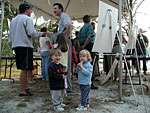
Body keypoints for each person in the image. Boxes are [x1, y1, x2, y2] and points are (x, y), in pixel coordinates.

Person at [8, 2, 46, 96]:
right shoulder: (27, 19)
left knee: (23, 68)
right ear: (26, 10)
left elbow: (10, 35)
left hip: (16, 46)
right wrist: (41, 34)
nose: (31, 12)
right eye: (30, 10)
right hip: (25, 46)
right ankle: (22, 90)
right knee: (24, 69)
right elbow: (31, 32)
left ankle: (25, 88)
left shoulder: (13, 20)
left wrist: (12, 45)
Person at [53, 3, 72, 93]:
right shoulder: (62, 17)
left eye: (56, 8)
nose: (54, 10)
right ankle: (65, 85)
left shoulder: (64, 16)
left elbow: (68, 26)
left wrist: (65, 38)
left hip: (64, 42)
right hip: (62, 41)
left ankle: (67, 86)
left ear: (60, 9)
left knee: (65, 64)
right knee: (63, 63)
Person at [78, 15, 98, 89]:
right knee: (90, 64)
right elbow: (89, 37)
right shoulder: (89, 27)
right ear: (90, 20)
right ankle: (90, 83)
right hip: (89, 46)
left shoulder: (82, 28)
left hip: (83, 45)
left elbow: (79, 40)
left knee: (84, 64)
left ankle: (85, 81)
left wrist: (81, 46)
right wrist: (84, 46)